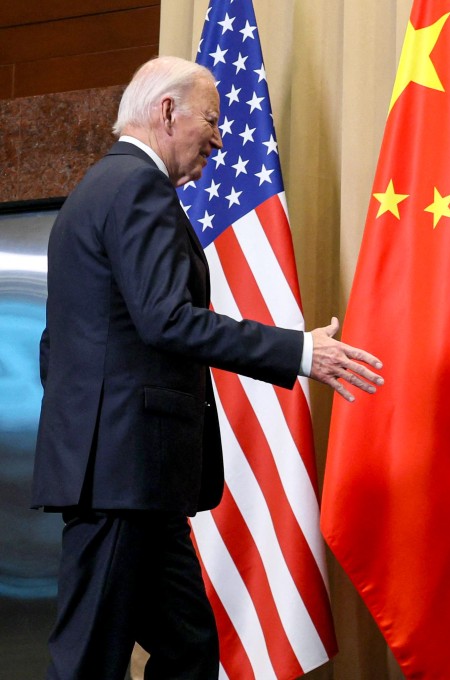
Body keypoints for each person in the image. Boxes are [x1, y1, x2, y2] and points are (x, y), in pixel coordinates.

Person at [32, 56, 384, 679]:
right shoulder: (138, 188)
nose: (219, 139)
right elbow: (166, 319)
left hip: (127, 473)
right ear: (167, 113)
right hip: (122, 476)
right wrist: (299, 352)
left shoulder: (92, 192)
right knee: (90, 659)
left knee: (188, 648)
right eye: (212, 121)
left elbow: (58, 344)